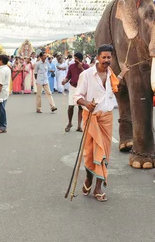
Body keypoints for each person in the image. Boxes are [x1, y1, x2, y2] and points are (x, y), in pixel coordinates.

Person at [74, 45, 122, 203]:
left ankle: (98, 187)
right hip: (91, 118)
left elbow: (116, 85)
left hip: (106, 118)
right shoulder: (86, 75)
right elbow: (77, 96)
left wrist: (125, 72)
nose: (107, 60)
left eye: (109, 58)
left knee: (104, 154)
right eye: (104, 57)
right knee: (90, 153)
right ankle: (88, 179)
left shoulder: (111, 75)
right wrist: (87, 103)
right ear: (98, 58)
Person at [63, 52, 89, 132]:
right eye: (75, 58)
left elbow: (87, 77)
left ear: (81, 59)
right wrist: (65, 80)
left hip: (82, 88)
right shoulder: (71, 66)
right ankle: (70, 123)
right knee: (71, 106)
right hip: (73, 87)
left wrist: (81, 67)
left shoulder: (86, 66)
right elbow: (68, 77)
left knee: (81, 107)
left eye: (77, 59)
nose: (75, 60)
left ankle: (79, 126)